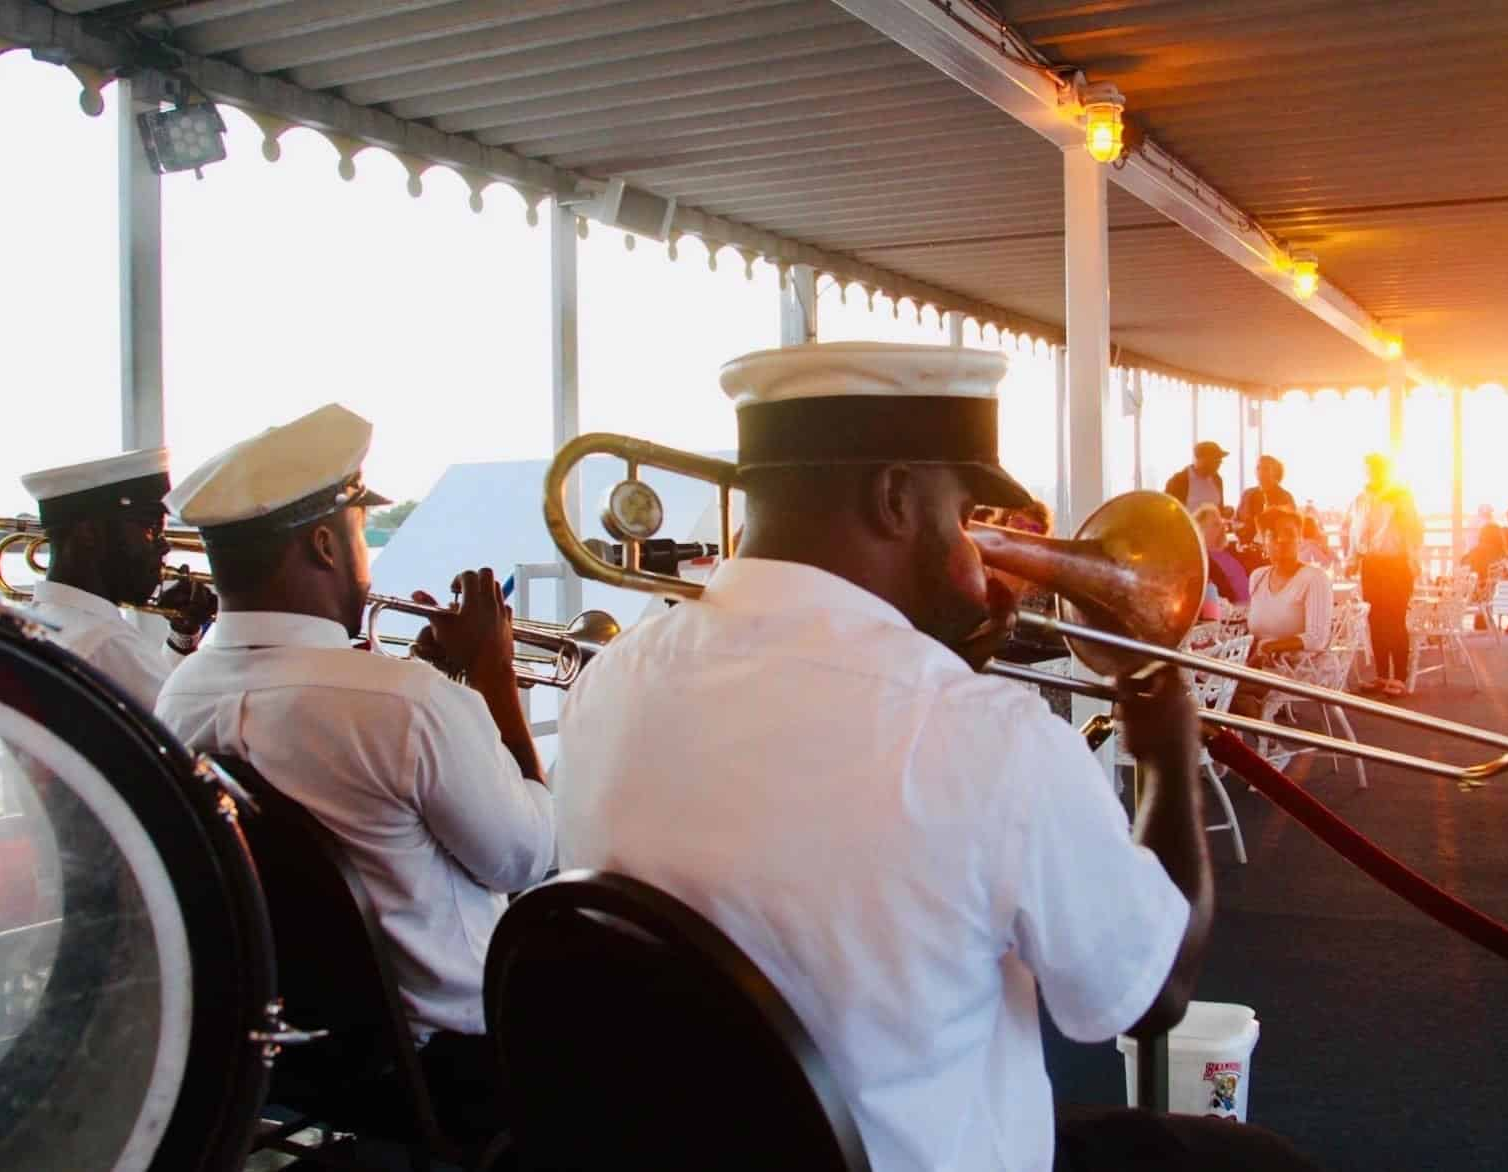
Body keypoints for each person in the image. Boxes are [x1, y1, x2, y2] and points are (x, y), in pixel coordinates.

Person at [553, 343, 1316, 1172]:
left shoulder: (609, 682)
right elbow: (1152, 992)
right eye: (961, 516)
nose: (976, 547)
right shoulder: (988, 738)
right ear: (894, 499)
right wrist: (1166, 757)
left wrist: (937, 665)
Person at [154, 404, 552, 1143]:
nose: (368, 558)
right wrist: (494, 682)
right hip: (457, 1075)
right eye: (363, 532)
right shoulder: (407, 707)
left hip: (295, 1059)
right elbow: (529, 859)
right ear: (325, 545)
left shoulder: (177, 695)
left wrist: (444, 695)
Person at [18, 448, 216, 707]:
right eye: (151, 529)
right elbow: (185, 723)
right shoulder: (107, 644)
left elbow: (158, 701)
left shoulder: (38, 621)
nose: (164, 547)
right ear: (89, 533)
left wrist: (183, 635)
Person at [1233, 508, 1335, 719]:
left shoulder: (1314, 578)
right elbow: (1253, 627)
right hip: (1259, 665)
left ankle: (1259, 738)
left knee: (1220, 695)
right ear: (1264, 541)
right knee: (1203, 687)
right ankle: (1256, 737)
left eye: (1289, 533)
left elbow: (1318, 638)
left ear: (1300, 539)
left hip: (1298, 666)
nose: (1281, 540)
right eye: (1272, 535)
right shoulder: (1258, 577)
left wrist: (1271, 647)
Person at [1345, 453, 1421, 696]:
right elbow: (1354, 533)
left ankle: (1398, 677)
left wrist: (1413, 560)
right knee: (1374, 621)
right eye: (1369, 469)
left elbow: (1416, 532)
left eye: (1378, 469)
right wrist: (1353, 560)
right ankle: (1380, 675)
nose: (1373, 473)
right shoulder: (1360, 499)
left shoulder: (1402, 497)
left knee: (1395, 620)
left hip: (1397, 565)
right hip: (1372, 565)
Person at [1193, 503, 1250, 604]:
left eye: (1221, 523)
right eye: (1216, 524)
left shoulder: (1231, 551)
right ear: (1201, 528)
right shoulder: (1200, 561)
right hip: (1232, 613)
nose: (1222, 527)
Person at [1236, 455, 1295, 544]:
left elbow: (1291, 527)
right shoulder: (1247, 494)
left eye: (1266, 469)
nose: (1260, 472)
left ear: (1275, 472)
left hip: (1274, 548)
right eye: (1258, 468)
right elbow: (1237, 521)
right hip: (1247, 547)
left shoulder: (1285, 496)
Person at [1165, 440, 1227, 513]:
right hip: (1186, 524)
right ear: (1200, 459)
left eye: (1219, 461)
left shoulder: (1217, 479)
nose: (1218, 464)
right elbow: (1168, 510)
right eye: (1215, 460)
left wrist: (1226, 512)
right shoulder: (1179, 480)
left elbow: (1219, 509)